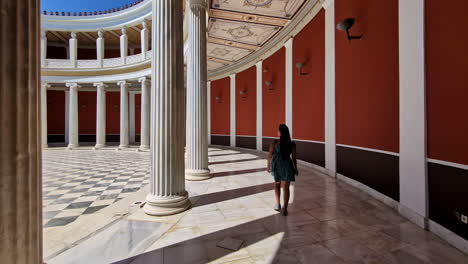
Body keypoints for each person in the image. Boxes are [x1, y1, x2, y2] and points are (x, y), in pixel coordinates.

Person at [267, 124, 298, 216]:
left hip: (277, 166)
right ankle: (285, 208)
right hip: (287, 166)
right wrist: (296, 168)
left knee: (277, 184)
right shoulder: (292, 144)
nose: (277, 132)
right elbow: (294, 158)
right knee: (286, 188)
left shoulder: (275, 143)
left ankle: (278, 204)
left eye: (278, 130)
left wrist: (268, 166)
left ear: (281, 132)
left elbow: (270, 155)